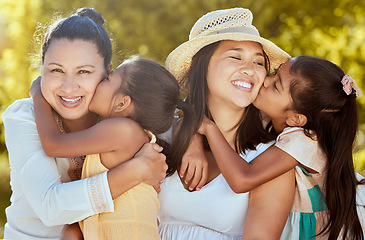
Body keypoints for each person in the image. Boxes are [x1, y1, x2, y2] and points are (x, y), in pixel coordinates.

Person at [2, 8, 167, 240]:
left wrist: (196, 144)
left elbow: (172, 122)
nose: (69, 87)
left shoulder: (120, 119)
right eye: (56, 70)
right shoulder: (24, 116)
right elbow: (52, 209)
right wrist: (135, 171)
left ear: (107, 73)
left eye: (84, 72)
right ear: (41, 70)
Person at [158, 8, 295, 240]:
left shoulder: (269, 160)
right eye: (235, 56)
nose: (250, 70)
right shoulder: (161, 135)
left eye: (259, 62)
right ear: (199, 66)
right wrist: (190, 132)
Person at [198, 55, 365, 239]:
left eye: (276, 85)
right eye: (274, 73)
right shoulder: (274, 120)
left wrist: (208, 128)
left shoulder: (303, 140)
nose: (266, 80)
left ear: (296, 119)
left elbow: (242, 179)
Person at [30, 56, 195, 239]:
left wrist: (39, 95)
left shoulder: (123, 131)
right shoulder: (125, 135)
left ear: (122, 103)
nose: (100, 80)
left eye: (108, 79)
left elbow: (53, 144)